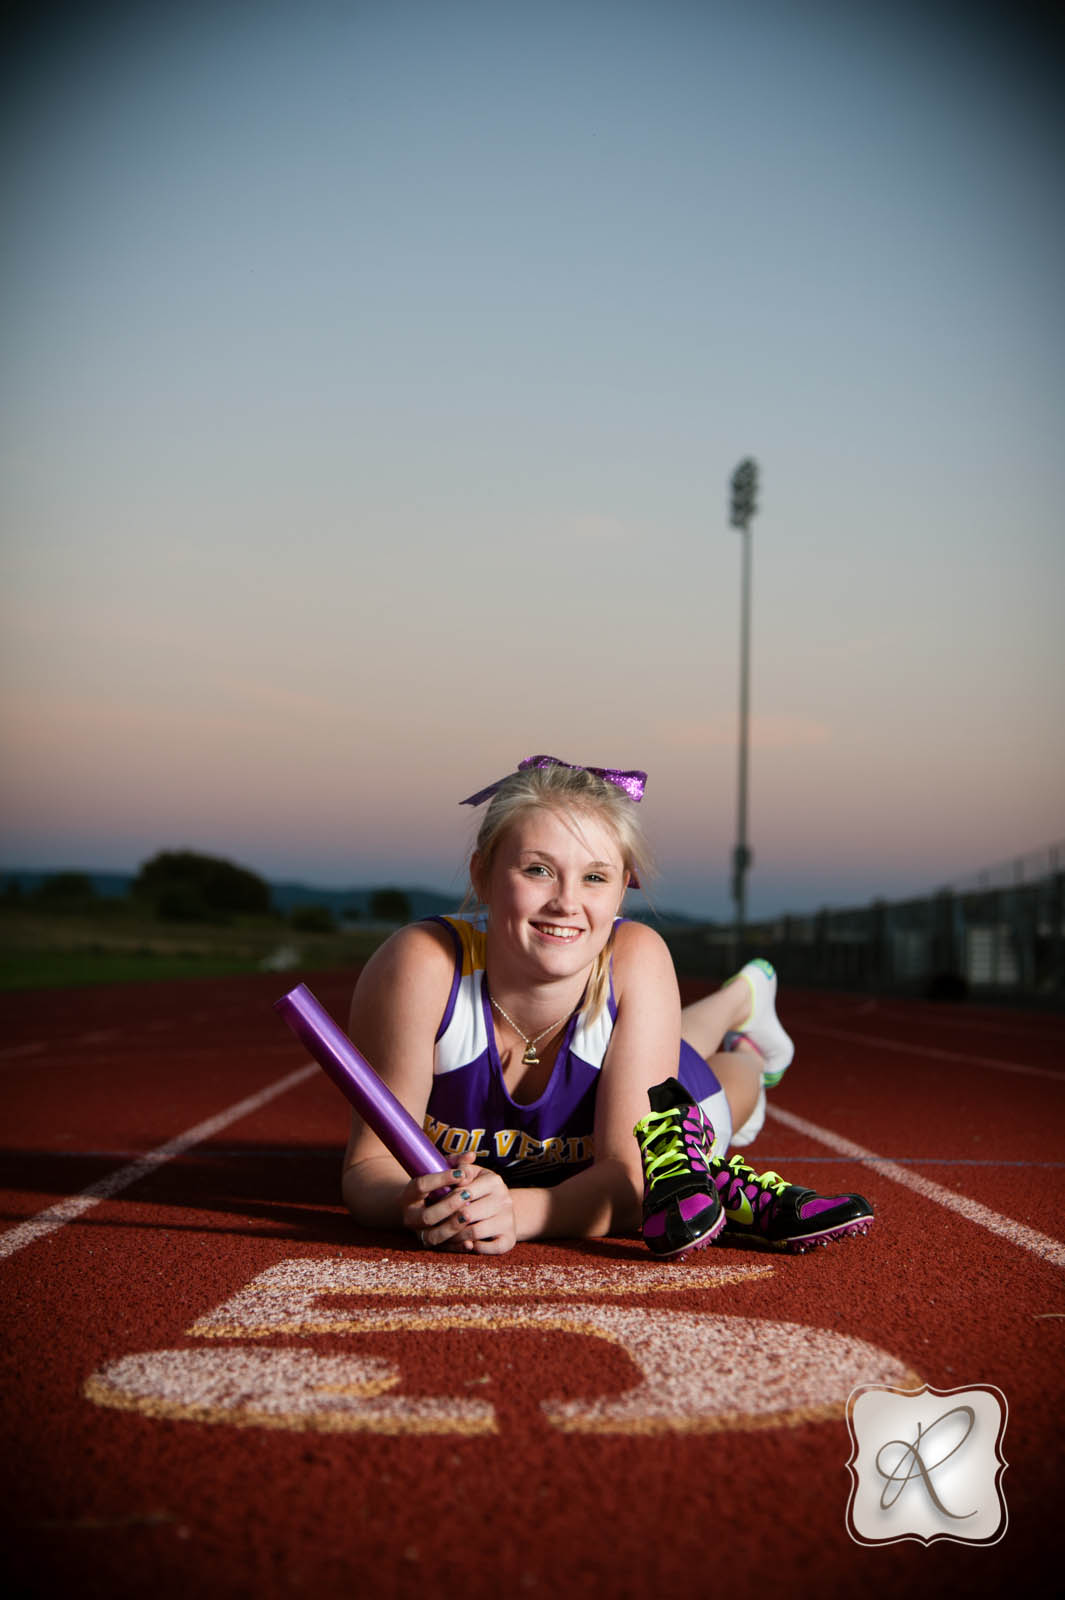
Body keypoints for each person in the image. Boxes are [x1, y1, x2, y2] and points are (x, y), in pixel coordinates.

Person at [341, 756, 873, 1258]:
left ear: (621, 892)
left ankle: (749, 1028)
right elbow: (368, 1167)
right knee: (668, 1038)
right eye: (538, 870)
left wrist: (517, 1212)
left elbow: (631, 1181)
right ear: (482, 875)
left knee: (728, 1082)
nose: (566, 902)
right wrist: (416, 1203)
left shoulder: (637, 956)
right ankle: (739, 997)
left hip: (649, 1081)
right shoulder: (423, 964)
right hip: (614, 1056)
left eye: (594, 877)